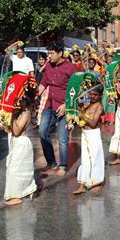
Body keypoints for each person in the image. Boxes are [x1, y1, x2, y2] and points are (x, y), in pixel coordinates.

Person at [38, 41, 77, 176]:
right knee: (42, 133)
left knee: (62, 139)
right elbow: (44, 82)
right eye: (49, 53)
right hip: (49, 105)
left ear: (60, 53)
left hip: (63, 106)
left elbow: (76, 89)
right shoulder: (48, 65)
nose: (49, 56)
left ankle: (63, 165)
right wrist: (34, 94)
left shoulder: (71, 68)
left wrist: (67, 105)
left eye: (52, 53)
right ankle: (51, 162)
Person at [4, 83, 37, 206]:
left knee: (16, 170)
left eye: (21, 100)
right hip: (15, 142)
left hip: (21, 142)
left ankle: (17, 195)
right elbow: (10, 129)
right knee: (15, 168)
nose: (18, 102)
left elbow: (17, 131)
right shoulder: (19, 111)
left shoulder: (26, 113)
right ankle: (29, 189)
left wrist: (11, 116)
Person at [73, 86, 105, 195]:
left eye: (95, 95)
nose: (92, 96)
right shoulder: (89, 103)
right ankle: (82, 185)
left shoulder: (99, 106)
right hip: (85, 134)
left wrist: (82, 115)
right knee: (85, 160)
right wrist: (81, 109)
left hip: (93, 134)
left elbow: (93, 123)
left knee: (95, 158)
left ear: (100, 95)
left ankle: (97, 182)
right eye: (90, 94)